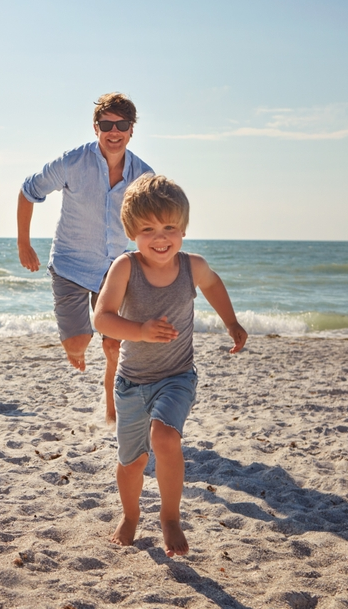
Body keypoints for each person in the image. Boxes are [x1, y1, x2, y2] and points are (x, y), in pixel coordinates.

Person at [93, 174, 248, 557]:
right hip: (131, 383)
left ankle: (170, 516)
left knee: (165, 439)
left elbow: (212, 285)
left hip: (177, 377)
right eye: (147, 229)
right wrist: (140, 331)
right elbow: (102, 318)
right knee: (132, 462)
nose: (160, 237)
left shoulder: (192, 265)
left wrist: (231, 322)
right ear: (132, 232)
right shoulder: (124, 268)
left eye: (169, 228)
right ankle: (130, 516)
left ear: (183, 229)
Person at [17, 92, 154, 423]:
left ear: (131, 130)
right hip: (69, 266)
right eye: (107, 124)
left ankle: (113, 412)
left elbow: (157, 219)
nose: (114, 131)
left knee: (115, 348)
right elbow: (28, 191)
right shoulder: (71, 162)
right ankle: (76, 347)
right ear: (96, 127)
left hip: (114, 269)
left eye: (122, 124)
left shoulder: (144, 176)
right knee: (79, 344)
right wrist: (24, 244)